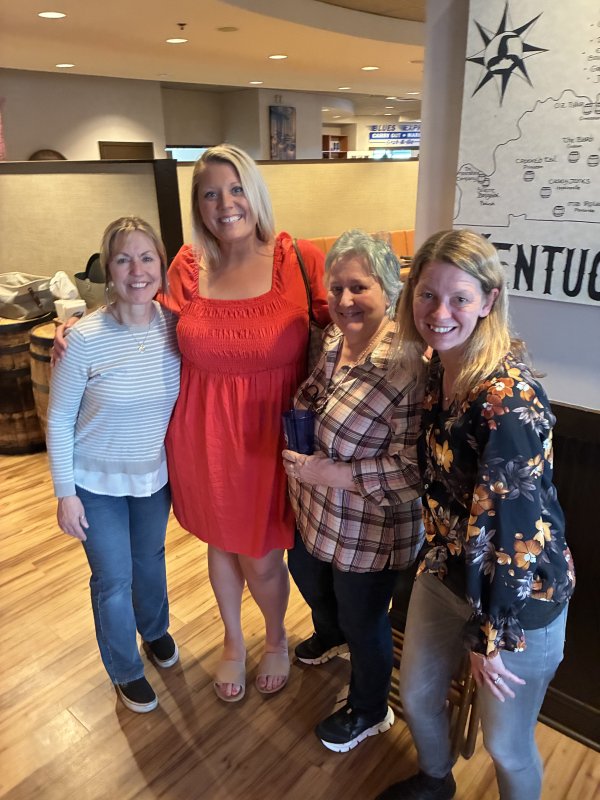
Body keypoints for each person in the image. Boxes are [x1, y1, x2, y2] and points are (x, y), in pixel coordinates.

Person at [376, 229, 575, 800]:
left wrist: (491, 636)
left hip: (518, 599)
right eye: (427, 295)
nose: (440, 312)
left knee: (505, 746)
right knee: (415, 695)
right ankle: (436, 781)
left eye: (459, 298)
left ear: (488, 302)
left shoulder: (507, 400)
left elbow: (517, 537)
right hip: (449, 569)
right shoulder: (440, 371)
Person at [159, 144, 329, 701]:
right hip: (200, 435)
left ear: (254, 193)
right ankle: (234, 642)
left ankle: (275, 637)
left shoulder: (298, 259)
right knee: (220, 543)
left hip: (270, 438)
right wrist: (79, 335)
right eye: (210, 193)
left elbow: (356, 321)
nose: (225, 203)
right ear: (198, 204)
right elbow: (142, 328)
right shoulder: (186, 266)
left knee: (259, 556)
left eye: (235, 189)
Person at [281, 230, 424, 752]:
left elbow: (415, 469)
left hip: (371, 526)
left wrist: (334, 474)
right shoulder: (335, 340)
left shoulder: (409, 364)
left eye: (358, 287)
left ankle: (369, 708)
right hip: (317, 508)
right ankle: (331, 632)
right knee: (305, 573)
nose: (344, 301)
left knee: (364, 618)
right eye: (336, 288)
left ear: (388, 290)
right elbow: (316, 392)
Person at [47, 216, 181, 713]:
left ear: (161, 267)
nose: (137, 270)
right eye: (124, 259)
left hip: (153, 479)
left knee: (150, 563)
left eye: (147, 257)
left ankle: (155, 630)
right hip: (95, 483)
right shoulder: (83, 339)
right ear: (108, 269)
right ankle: (125, 668)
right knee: (113, 579)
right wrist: (65, 493)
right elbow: (59, 419)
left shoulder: (176, 329)